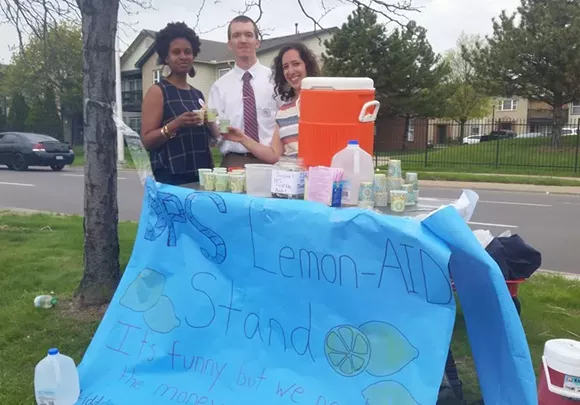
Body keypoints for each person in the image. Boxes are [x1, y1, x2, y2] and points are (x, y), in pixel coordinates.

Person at [140, 22, 215, 186]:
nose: (183, 56)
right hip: (171, 178)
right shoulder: (158, 91)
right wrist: (176, 124)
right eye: (176, 52)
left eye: (188, 52)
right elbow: (146, 141)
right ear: (166, 57)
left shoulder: (197, 94)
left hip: (201, 176)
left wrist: (212, 123)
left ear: (193, 55)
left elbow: (212, 139)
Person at [222, 42, 320, 163]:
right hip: (294, 178)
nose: (291, 71)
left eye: (296, 64)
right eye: (285, 67)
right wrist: (242, 139)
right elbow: (274, 155)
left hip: (322, 178)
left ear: (307, 66)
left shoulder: (324, 102)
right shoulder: (284, 111)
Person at [207, 15, 281, 168]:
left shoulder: (276, 81)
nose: (243, 40)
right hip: (234, 162)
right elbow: (215, 132)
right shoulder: (218, 87)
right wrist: (208, 122)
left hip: (272, 162)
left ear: (257, 42)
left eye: (248, 35)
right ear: (229, 44)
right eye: (236, 35)